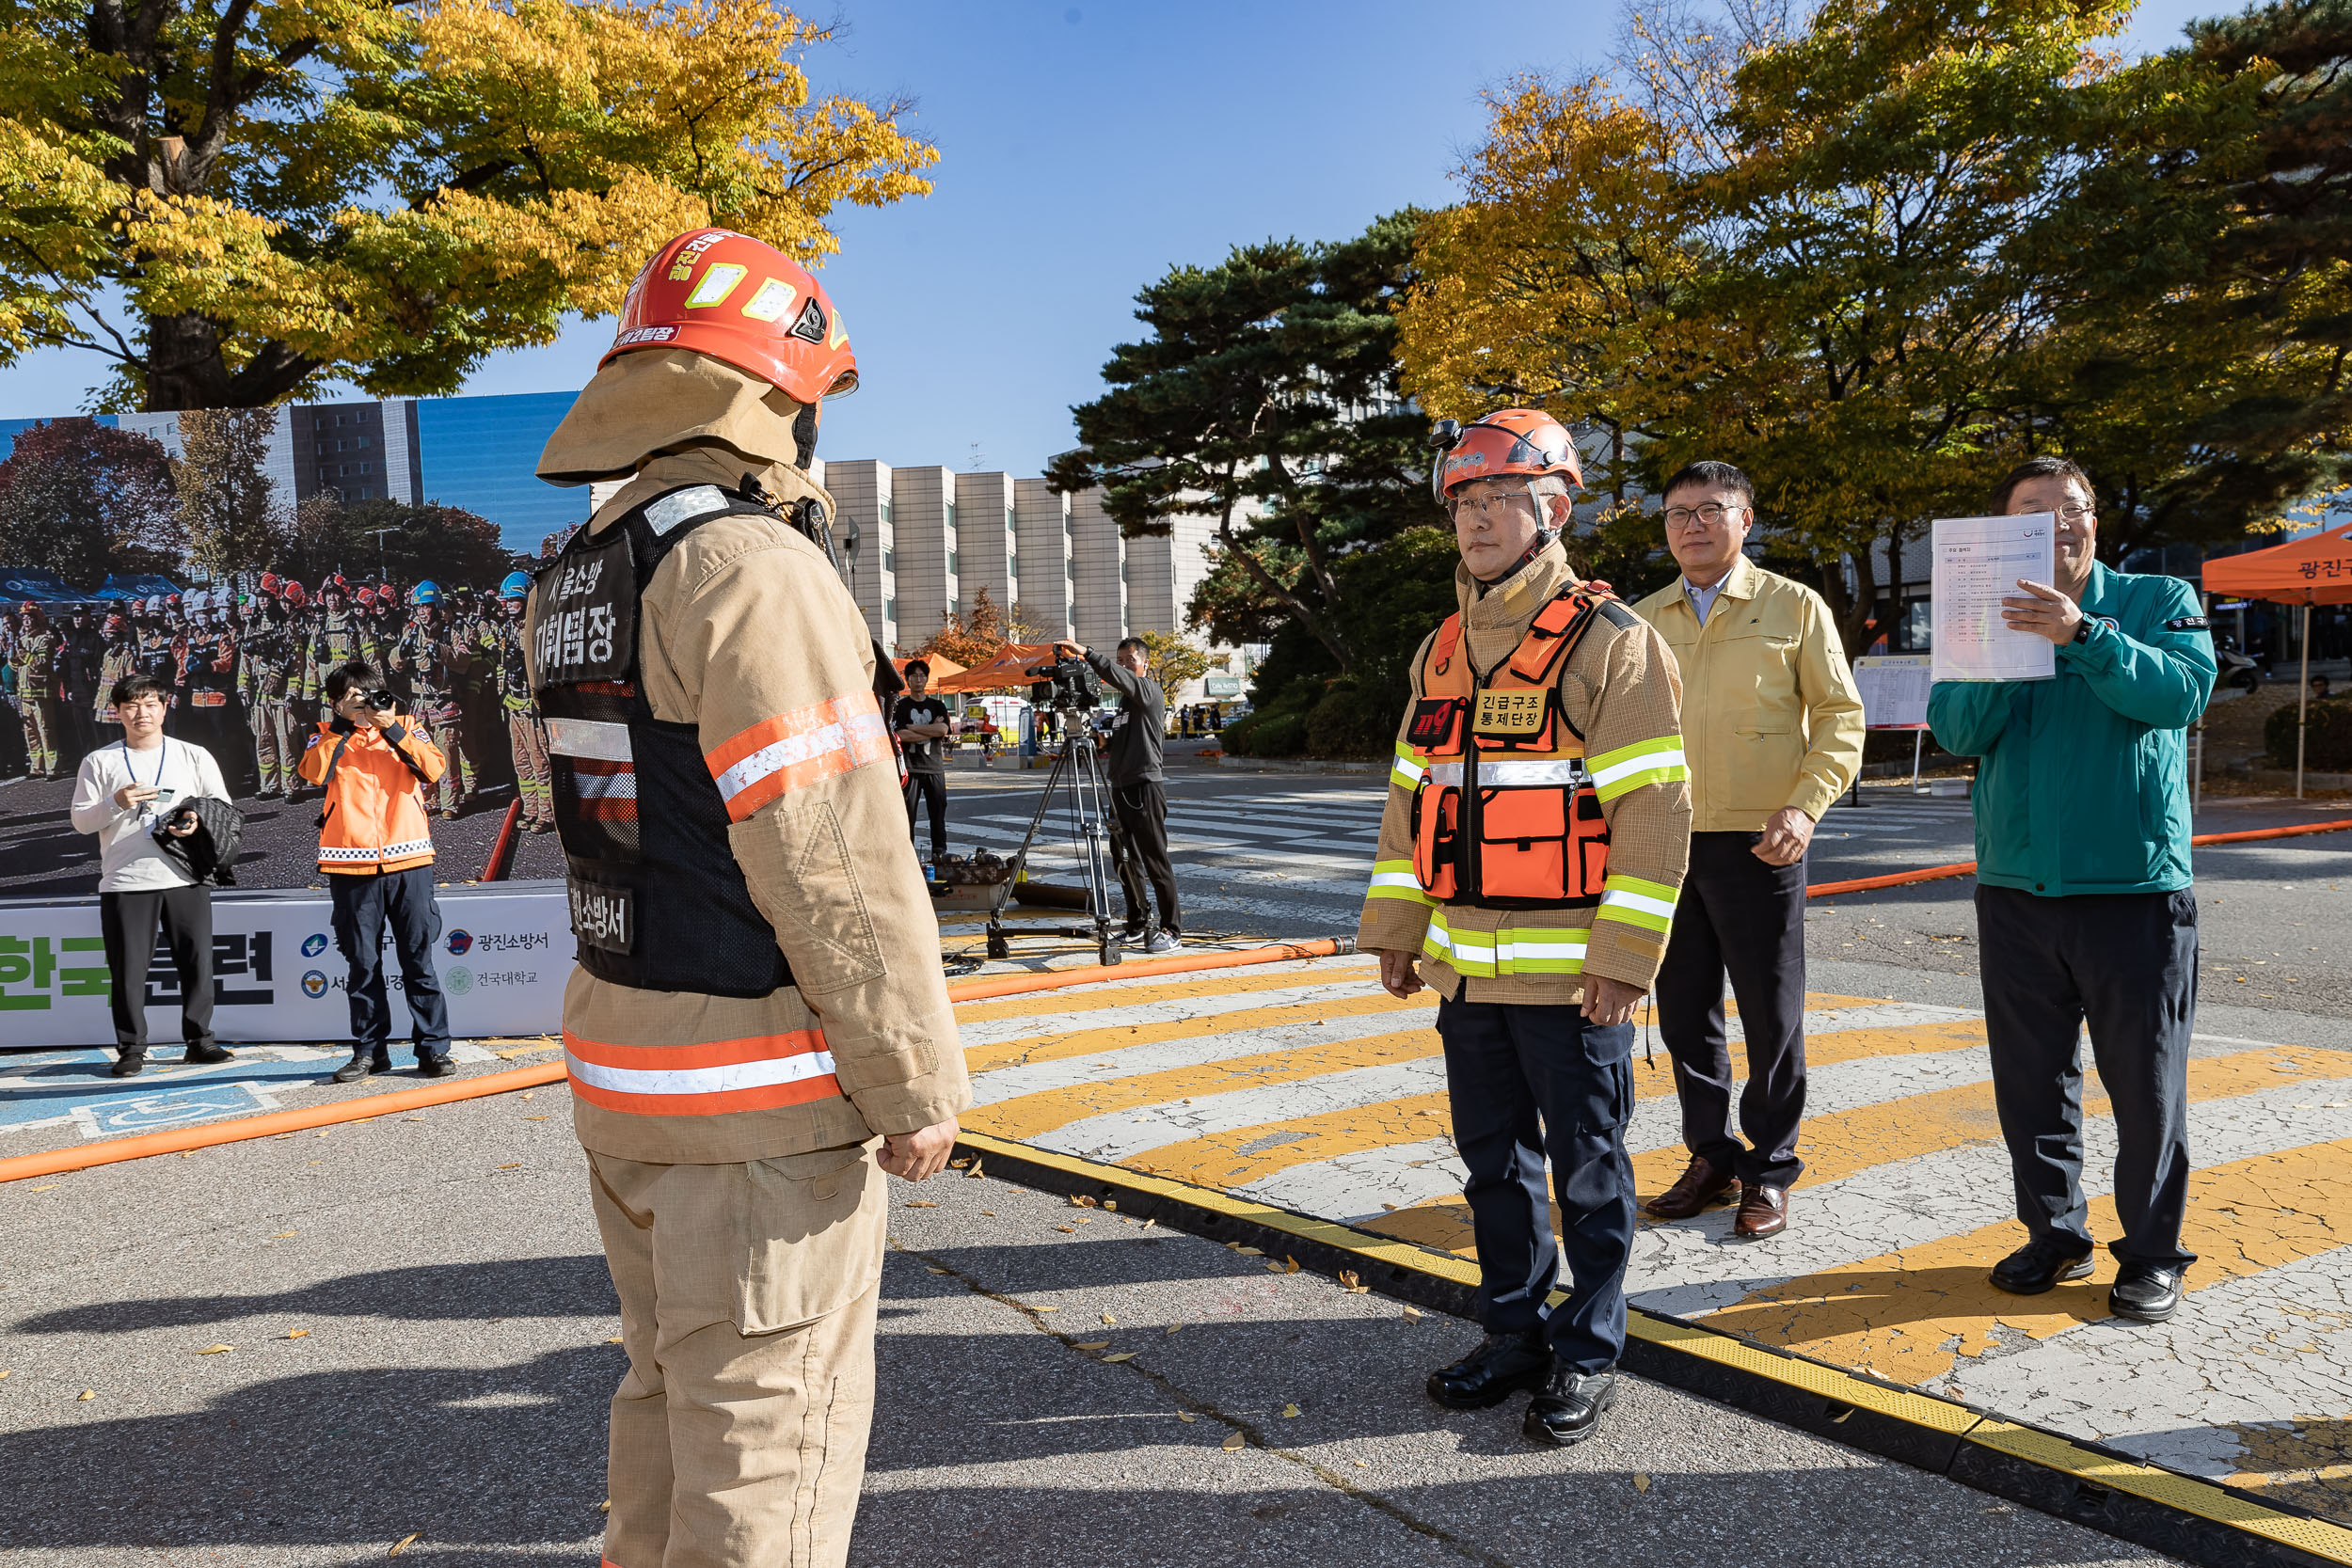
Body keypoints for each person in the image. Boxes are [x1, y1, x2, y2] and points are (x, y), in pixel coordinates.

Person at [528, 226, 969, 1568]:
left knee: (667, 1412)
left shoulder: (583, 569)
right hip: (757, 1105)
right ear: (780, 391)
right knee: (767, 1458)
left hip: (631, 1074)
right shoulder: (750, 568)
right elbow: (830, 856)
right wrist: (913, 1079)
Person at [1359, 408, 1691, 1447]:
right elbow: (1411, 799)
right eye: (1462, 501)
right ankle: (1511, 1330)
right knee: (1491, 1167)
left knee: (1587, 1169)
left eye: (1499, 497)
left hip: (1570, 979)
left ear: (1553, 510)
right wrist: (1395, 926)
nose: (1475, 519)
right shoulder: (1441, 647)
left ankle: (1587, 1348)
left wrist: (1626, 960)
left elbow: (1652, 810)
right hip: (1467, 973)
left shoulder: (1613, 641)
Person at [1927, 454, 2217, 1325]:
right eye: (2036, 508)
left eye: (2076, 507)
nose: (2060, 521)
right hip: (2015, 885)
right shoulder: (1982, 610)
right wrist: (2001, 650)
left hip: (2134, 890)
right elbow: (1955, 727)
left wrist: (2083, 635)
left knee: (2146, 1084)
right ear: (2004, 525)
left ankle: (2153, 1252)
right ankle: (2054, 1233)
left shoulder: (2155, 601)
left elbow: (2183, 695)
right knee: (2030, 1079)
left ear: (2097, 521)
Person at [1632, 460, 1864, 1240]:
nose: (1692, 524)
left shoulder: (1792, 606)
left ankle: (1769, 1167)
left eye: (1710, 509)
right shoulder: (1640, 619)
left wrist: (1805, 806)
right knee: (1684, 1013)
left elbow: (1839, 717)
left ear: (1746, 519)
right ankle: (1710, 1155)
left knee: (1772, 1015)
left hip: (1763, 839)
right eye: (1677, 513)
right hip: (1664, 841)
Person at [69, 673, 236, 1077]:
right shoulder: (100, 761)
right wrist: (115, 801)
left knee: (196, 963)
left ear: (165, 707)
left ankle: (200, 1040)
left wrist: (194, 820)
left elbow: (223, 806)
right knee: (128, 970)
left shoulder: (193, 754)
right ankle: (131, 1048)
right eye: (131, 706)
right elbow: (80, 821)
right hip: (126, 879)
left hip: (185, 875)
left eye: (149, 704)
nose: (141, 713)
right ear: (118, 712)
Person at [295, 658, 454, 1083]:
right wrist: (343, 727)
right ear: (335, 703)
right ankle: (369, 1052)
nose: (361, 704)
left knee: (418, 959)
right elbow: (313, 774)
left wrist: (391, 728)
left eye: (365, 695)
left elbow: (434, 769)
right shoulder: (324, 735)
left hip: (411, 860)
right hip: (350, 863)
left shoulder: (403, 725)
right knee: (362, 964)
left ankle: (433, 1050)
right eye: (350, 698)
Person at [1071, 636, 1181, 953]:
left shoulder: (1148, 691)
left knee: (1155, 860)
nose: (1123, 666)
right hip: (1120, 787)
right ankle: (1136, 923)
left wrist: (1088, 654)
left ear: (1144, 663)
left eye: (1129, 660)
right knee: (1123, 859)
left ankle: (1171, 929)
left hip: (1144, 786)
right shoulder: (1123, 704)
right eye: (1120, 660)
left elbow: (1118, 677)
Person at [389, 582, 476, 820]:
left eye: (426, 607)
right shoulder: (411, 631)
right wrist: (401, 653)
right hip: (419, 702)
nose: (422, 612)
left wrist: (441, 650)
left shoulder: (450, 631)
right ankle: (429, 799)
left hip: (443, 701)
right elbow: (395, 665)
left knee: (447, 753)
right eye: (418, 608)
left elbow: (465, 659)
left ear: (436, 607)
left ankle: (450, 803)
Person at [482, 571, 553, 832]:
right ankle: (530, 809)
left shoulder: (537, 628)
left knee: (540, 762)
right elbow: (502, 669)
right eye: (506, 601)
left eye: (513, 601)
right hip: (513, 706)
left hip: (531, 708)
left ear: (525, 601)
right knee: (521, 762)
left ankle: (547, 815)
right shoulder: (508, 630)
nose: (508, 606)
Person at [892, 658, 953, 862]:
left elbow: (943, 730)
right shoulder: (900, 706)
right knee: (908, 815)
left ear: (926, 678)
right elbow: (900, 735)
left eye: (922, 675)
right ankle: (907, 855)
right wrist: (930, 731)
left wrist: (913, 728)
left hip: (934, 767)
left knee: (938, 814)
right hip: (910, 768)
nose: (918, 679)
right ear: (907, 680)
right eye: (914, 676)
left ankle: (939, 852)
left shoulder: (937, 705)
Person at [11, 603, 65, 779]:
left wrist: (23, 654)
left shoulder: (45, 638)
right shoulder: (23, 639)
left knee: (46, 730)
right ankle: (36, 767)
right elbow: (16, 666)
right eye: (24, 617)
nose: (26, 620)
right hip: (24, 692)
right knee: (30, 731)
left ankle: (53, 768)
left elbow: (42, 663)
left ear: (37, 619)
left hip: (41, 692)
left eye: (30, 617)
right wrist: (13, 654)